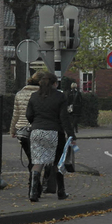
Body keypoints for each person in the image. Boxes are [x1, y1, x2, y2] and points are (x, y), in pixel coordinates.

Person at [26, 72, 76, 202]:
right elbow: (64, 118)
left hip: (36, 132)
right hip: (54, 132)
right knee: (57, 163)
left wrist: (36, 124)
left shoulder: (34, 96)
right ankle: (61, 192)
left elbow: (29, 115)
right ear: (55, 83)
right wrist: (71, 134)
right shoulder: (60, 97)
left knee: (37, 162)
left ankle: (33, 192)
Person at [9, 71, 44, 191]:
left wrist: (12, 130)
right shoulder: (42, 93)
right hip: (37, 129)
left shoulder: (20, 93)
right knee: (38, 159)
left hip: (22, 131)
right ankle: (34, 185)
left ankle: (34, 185)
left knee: (31, 158)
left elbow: (16, 114)